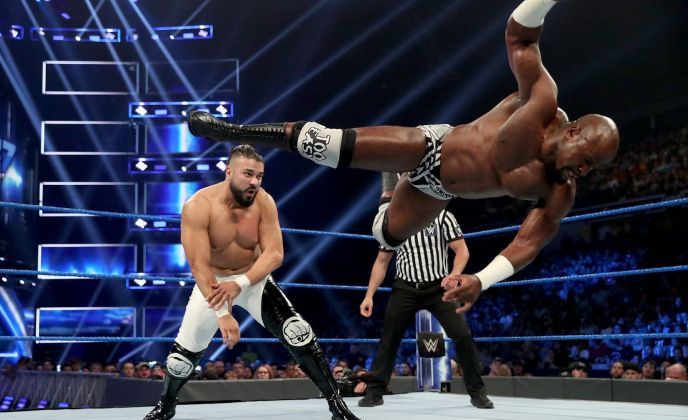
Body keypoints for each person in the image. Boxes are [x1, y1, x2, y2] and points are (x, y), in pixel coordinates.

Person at [187, 0, 620, 314]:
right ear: (575, 130)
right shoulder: (542, 100)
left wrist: (480, 280)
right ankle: (235, 131)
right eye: (587, 157)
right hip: (433, 144)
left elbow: (528, 242)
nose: (583, 170)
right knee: (332, 145)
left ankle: (387, 189)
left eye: (590, 169)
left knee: (387, 238)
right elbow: (519, 35)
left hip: (437, 190)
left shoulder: (558, 189)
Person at [141, 145, 366, 420]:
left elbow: (274, 255)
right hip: (213, 282)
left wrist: (241, 284)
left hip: (252, 279)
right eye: (248, 174)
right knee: (181, 360)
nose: (255, 182)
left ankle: (339, 409)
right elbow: (199, 265)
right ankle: (167, 403)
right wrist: (222, 313)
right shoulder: (198, 206)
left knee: (299, 333)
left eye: (259, 176)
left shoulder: (264, 202)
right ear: (229, 172)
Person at [358, 173, 493, 409]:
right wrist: (369, 295)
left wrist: (454, 274)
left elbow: (462, 251)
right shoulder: (395, 222)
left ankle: (477, 392)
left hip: (437, 287)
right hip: (405, 287)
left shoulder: (443, 217)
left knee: (461, 334)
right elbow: (382, 261)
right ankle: (375, 391)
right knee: (389, 337)